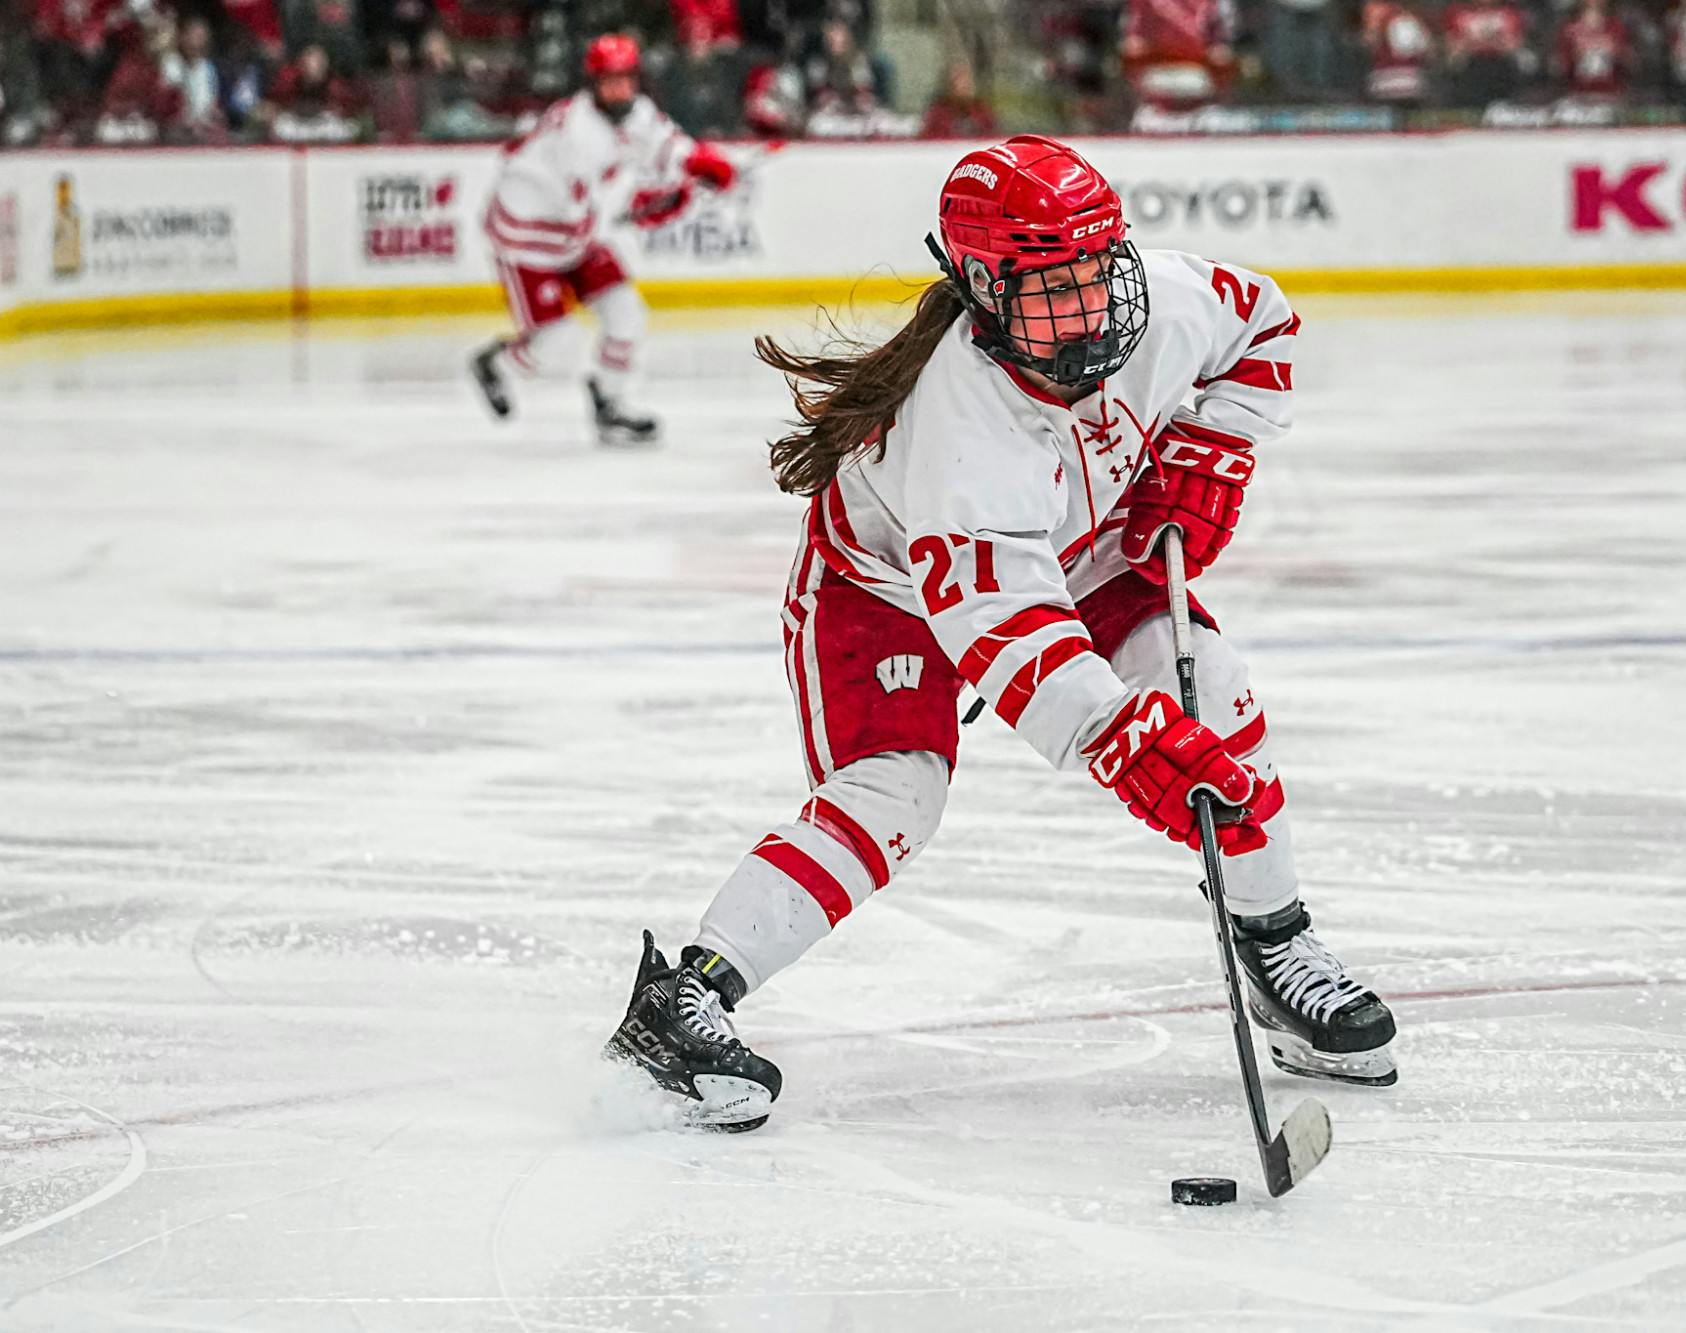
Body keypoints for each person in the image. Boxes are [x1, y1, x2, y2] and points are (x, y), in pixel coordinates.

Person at [603, 135, 1399, 1131]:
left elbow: (1264, 325)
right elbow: (1010, 632)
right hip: (885, 587)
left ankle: (1276, 947)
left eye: (1096, 273)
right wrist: (1118, 739)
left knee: (1217, 689)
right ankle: (687, 997)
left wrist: (1210, 450)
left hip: (1083, 546)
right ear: (980, 285)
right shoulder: (960, 432)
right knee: (895, 792)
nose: (1091, 309)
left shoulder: (1165, 300)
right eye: (1050, 288)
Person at [469, 33, 737, 447]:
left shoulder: (634, 111)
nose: (620, 89)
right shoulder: (578, 134)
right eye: (610, 80)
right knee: (555, 342)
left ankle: (610, 403)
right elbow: (594, 213)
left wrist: (701, 161)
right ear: (593, 82)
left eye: (626, 78)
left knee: (627, 316)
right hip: (527, 238)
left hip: (575, 235)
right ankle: (497, 365)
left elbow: (664, 143)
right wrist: (653, 203)